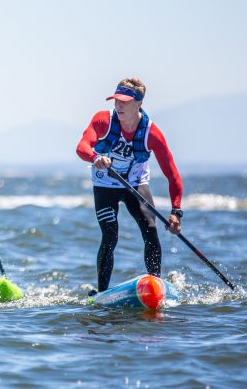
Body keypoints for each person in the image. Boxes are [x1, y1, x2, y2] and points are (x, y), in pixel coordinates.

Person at [76, 78, 183, 293]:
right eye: (116, 100)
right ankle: (103, 293)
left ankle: (155, 286)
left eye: (125, 101)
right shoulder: (103, 121)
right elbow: (82, 147)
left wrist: (176, 213)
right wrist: (95, 157)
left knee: (151, 231)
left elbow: (172, 175)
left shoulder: (152, 134)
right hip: (105, 183)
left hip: (135, 183)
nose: (119, 105)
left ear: (138, 104)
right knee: (110, 235)